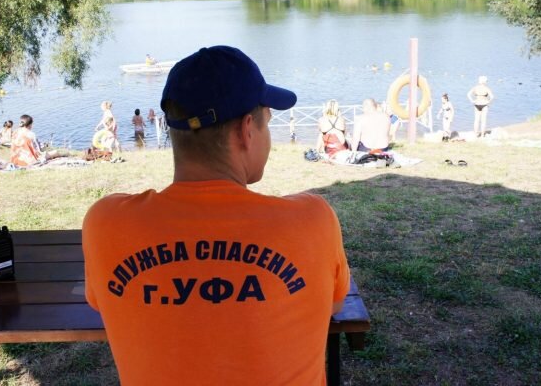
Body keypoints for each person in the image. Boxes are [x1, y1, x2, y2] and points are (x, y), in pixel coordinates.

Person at [82, 45, 350, 385]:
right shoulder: (312, 221)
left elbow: (104, 304)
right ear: (247, 130)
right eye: (268, 123)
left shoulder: (106, 224)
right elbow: (333, 305)